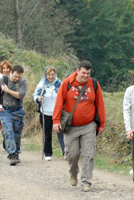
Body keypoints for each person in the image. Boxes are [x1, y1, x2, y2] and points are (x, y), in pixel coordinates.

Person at [52, 60, 106, 192]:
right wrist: (56, 120)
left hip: (89, 125)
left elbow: (100, 104)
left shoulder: (94, 84)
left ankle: (86, 182)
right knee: (72, 154)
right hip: (71, 127)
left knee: (88, 154)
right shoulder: (67, 83)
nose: (86, 76)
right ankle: (73, 172)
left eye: (88, 73)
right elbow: (59, 102)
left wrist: (102, 123)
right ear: (78, 71)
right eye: (83, 73)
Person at [0, 64, 27, 165]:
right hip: (5, 111)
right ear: (11, 72)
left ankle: (16, 152)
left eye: (19, 77)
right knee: (8, 132)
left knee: (16, 134)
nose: (17, 78)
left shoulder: (23, 82)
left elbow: (20, 95)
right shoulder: (3, 80)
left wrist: (7, 90)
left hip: (18, 111)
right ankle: (12, 154)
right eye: (15, 76)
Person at [33, 65, 65, 160]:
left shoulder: (59, 84)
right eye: (49, 75)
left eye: (53, 74)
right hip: (45, 112)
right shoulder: (42, 84)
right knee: (47, 134)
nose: (51, 76)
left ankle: (65, 152)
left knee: (61, 132)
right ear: (45, 75)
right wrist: (38, 99)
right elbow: (35, 95)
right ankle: (48, 153)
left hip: (57, 113)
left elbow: (65, 95)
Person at [0, 60, 12, 143]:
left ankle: (8, 141)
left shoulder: (13, 77)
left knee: (10, 124)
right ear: (1, 69)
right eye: (4, 68)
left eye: (7, 68)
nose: (6, 70)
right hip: (1, 103)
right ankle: (6, 140)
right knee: (4, 123)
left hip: (11, 104)